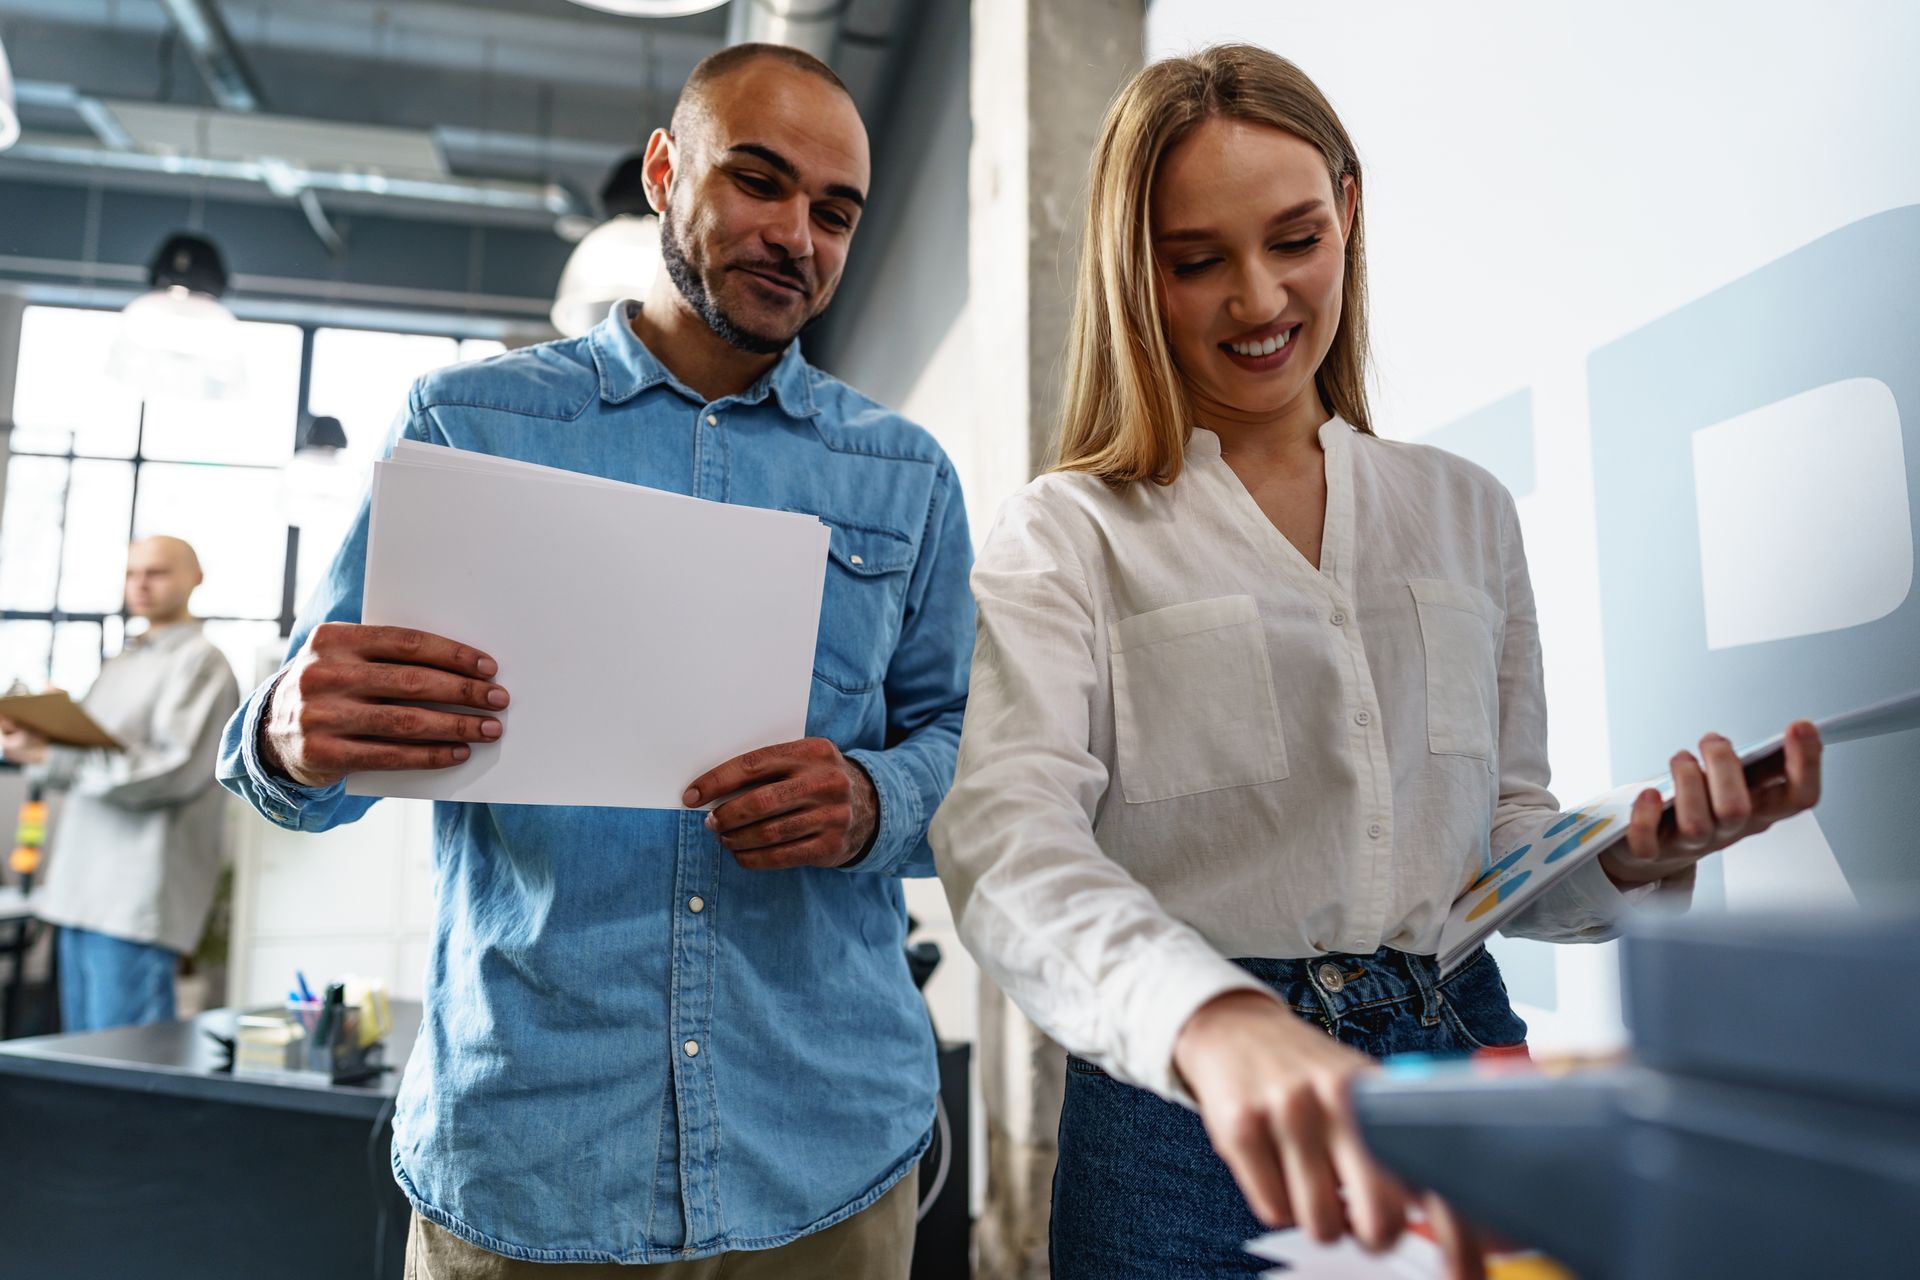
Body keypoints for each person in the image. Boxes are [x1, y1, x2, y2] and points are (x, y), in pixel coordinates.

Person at [929, 44, 1823, 1280]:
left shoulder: (1464, 511)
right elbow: (1006, 840)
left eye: (1294, 239)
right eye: (1198, 261)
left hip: (1457, 1052)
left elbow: (1499, 839)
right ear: (1134, 272)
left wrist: (1629, 852)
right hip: (1184, 1114)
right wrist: (1212, 1020)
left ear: (1349, 211)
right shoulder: (1072, 531)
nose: (1257, 299)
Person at [216, 43, 972, 1279]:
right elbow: (311, 751)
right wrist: (285, 734)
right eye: (759, 183)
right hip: (530, 1161)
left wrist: (871, 799)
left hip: (825, 1161)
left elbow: (973, 761)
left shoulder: (905, 476)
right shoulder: (474, 424)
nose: (797, 235)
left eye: (834, 212)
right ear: (667, 173)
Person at [0, 535, 240, 1032]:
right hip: (79, 892)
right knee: (86, 1063)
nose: (141, 585)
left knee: (124, 1069)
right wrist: (43, 733)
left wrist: (54, 756)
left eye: (157, 572)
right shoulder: (123, 660)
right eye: (133, 574)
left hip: (134, 900)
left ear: (195, 578)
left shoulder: (201, 663)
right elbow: (89, 752)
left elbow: (170, 770)